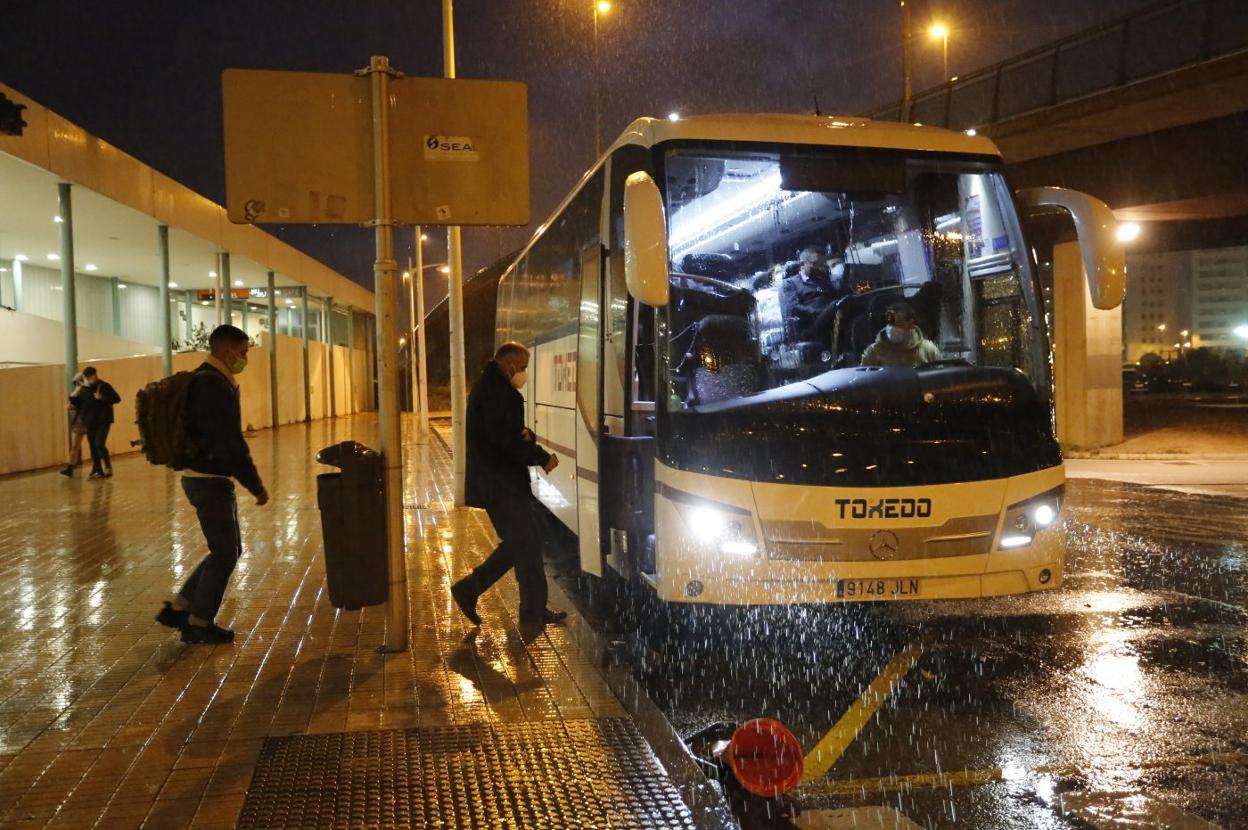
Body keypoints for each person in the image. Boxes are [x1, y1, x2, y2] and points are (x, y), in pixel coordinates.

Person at [155, 324, 269, 644]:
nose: (245, 359)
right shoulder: (213, 385)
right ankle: (199, 622)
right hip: (209, 480)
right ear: (225, 349)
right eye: (243, 352)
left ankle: (182, 607)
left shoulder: (212, 379)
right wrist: (255, 484)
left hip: (202, 477)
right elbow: (229, 442)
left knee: (226, 549)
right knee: (226, 551)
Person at [450, 342, 566, 628]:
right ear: (510, 364)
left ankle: (532, 610)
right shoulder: (496, 394)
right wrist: (539, 456)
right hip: (500, 484)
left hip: (501, 482)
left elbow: (511, 433)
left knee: (526, 543)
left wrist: (527, 437)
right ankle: (470, 589)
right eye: (523, 367)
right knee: (522, 543)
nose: (523, 373)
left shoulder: (495, 389)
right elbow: (507, 443)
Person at [781, 246, 848, 341]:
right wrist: (817, 312)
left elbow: (839, 296)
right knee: (837, 305)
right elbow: (794, 308)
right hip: (812, 323)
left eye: (822, 264)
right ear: (802, 264)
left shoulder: (825, 279)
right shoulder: (792, 283)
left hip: (834, 316)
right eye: (816, 264)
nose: (820, 268)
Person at [860, 302, 941, 367]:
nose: (892, 328)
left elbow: (940, 379)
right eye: (890, 324)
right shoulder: (873, 352)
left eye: (899, 323)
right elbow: (865, 382)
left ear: (911, 324)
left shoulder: (928, 350)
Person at [77, 366, 121, 479]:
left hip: (103, 421)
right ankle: (97, 469)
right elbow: (81, 404)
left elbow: (117, 398)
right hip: (89, 422)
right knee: (92, 446)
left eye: (90, 376)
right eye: (87, 377)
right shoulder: (84, 389)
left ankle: (108, 466)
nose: (89, 379)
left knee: (99, 444)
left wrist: (102, 398)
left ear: (95, 375)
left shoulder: (105, 386)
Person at [59, 372, 89, 477]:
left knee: (75, 446)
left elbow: (73, 404)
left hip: (82, 421)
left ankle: (71, 467)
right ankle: (71, 467)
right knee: (92, 445)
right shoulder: (86, 391)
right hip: (85, 420)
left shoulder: (80, 391)